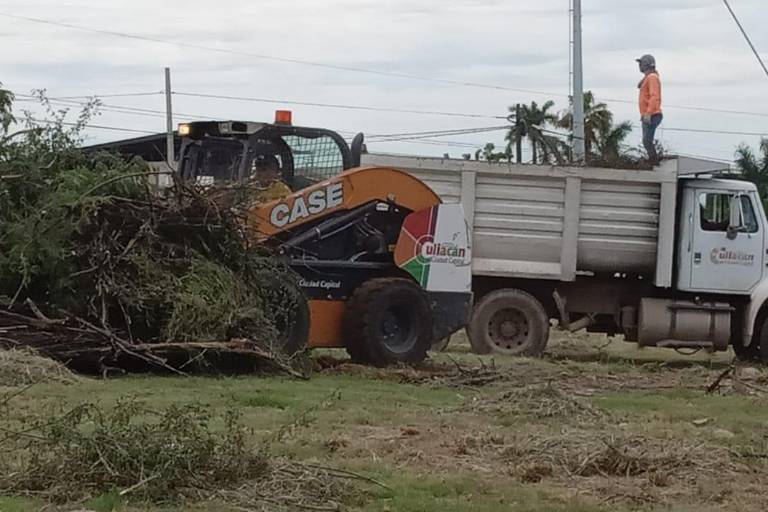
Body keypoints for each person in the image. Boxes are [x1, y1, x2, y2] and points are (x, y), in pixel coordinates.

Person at [636, 54, 663, 166]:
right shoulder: (650, 77)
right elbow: (639, 85)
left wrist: (648, 113)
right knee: (646, 140)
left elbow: (654, 96)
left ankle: (654, 161)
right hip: (647, 115)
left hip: (652, 114)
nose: (639, 66)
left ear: (646, 64)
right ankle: (652, 159)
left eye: (641, 63)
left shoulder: (652, 78)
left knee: (647, 140)